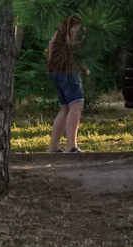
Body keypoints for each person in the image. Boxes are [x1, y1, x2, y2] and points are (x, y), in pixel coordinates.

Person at [46, 15, 86, 153]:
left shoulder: (62, 27)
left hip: (55, 71)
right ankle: (71, 146)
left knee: (64, 109)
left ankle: (53, 147)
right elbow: (73, 45)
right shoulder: (76, 25)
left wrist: (51, 63)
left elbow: (51, 44)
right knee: (76, 105)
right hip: (69, 70)